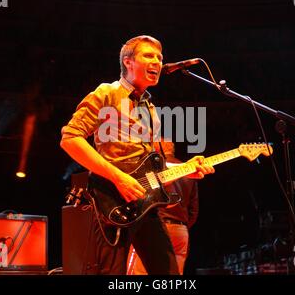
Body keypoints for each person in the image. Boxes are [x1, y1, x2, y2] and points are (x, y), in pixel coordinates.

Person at [60, 35, 214, 275]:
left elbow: (152, 171)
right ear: (128, 62)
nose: (157, 62)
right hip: (111, 202)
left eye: (160, 58)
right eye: (149, 56)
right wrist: (119, 178)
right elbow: (70, 139)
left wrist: (185, 171)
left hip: (145, 204)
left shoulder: (150, 109)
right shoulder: (107, 93)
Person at [126, 140, 199, 275]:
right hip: (181, 231)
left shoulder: (153, 169)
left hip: (157, 227)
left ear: (157, 149)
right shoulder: (187, 168)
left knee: (139, 272)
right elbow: (193, 210)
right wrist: (182, 226)